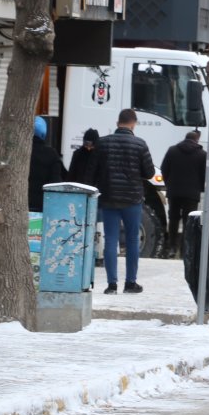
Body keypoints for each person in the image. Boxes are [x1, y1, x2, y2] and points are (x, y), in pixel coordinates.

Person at [92, 109, 154, 294]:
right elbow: (149, 173)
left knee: (110, 240)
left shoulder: (102, 143)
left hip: (109, 197)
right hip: (132, 199)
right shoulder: (140, 144)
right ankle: (130, 283)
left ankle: (111, 285)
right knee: (132, 240)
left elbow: (93, 170)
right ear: (133, 123)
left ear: (118, 122)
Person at [161, 130, 206, 258]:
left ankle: (172, 247)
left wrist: (168, 184)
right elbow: (204, 174)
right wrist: (200, 187)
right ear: (197, 140)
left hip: (174, 191)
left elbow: (164, 168)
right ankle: (185, 249)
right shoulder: (202, 154)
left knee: (174, 220)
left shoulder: (172, 151)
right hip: (192, 194)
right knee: (189, 222)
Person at [27, 116, 66, 212]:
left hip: (23, 202)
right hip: (44, 204)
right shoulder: (52, 154)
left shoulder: (22, 153)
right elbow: (56, 181)